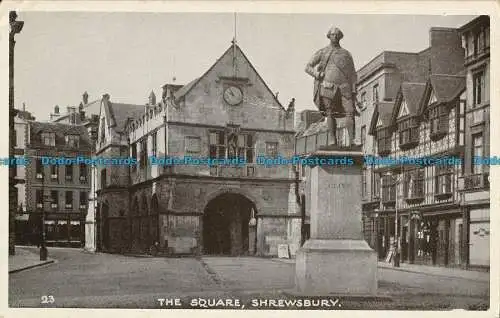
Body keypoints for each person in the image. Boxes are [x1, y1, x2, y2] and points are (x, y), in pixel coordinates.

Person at [305, 26, 359, 146]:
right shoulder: (323, 52)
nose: (335, 37)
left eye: (337, 35)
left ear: (340, 37)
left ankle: (352, 140)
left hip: (345, 88)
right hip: (328, 87)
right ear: (329, 36)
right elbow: (308, 67)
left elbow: (353, 73)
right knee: (330, 113)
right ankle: (332, 139)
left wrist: (354, 89)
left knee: (350, 111)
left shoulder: (346, 54)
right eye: (333, 34)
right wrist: (317, 74)